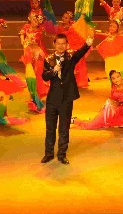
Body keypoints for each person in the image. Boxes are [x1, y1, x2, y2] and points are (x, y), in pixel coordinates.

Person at [40, 33, 93, 165]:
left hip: (66, 98)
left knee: (64, 128)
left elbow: (79, 53)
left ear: (67, 45)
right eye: (58, 43)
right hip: (52, 99)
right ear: (54, 44)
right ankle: (48, 153)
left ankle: (62, 154)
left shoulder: (70, 57)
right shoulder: (48, 59)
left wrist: (87, 44)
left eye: (63, 43)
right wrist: (53, 71)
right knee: (50, 128)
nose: (61, 46)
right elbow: (44, 76)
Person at [95, 19, 123, 95]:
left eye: (114, 27)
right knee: (111, 73)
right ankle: (116, 91)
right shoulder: (108, 37)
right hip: (111, 62)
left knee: (120, 74)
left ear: (118, 28)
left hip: (120, 62)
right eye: (110, 26)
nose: (111, 28)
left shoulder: (122, 37)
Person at [19, 14, 49, 113]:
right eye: (33, 20)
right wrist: (22, 40)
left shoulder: (39, 31)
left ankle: (37, 96)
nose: (34, 22)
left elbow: (33, 41)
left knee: (37, 75)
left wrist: (27, 41)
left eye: (37, 21)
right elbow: (22, 34)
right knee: (30, 75)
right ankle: (33, 95)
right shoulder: (26, 26)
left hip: (37, 54)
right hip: (28, 53)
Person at [57, 10, 90, 88]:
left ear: (70, 19)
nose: (64, 19)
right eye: (63, 17)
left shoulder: (73, 26)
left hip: (75, 46)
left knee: (79, 63)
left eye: (66, 18)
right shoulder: (60, 27)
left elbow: (79, 31)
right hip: (66, 47)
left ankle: (80, 81)